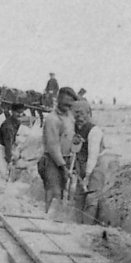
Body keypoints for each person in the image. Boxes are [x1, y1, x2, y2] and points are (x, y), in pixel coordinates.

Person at [38, 86, 77, 215]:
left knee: (62, 192)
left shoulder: (70, 117)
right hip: (52, 161)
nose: (67, 107)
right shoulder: (52, 119)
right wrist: (63, 166)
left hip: (65, 159)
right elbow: (53, 146)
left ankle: (56, 219)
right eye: (65, 103)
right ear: (59, 100)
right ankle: (47, 218)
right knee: (53, 192)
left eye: (70, 104)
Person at [71, 99, 106, 225]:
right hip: (81, 165)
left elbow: (93, 155)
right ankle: (76, 225)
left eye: (81, 113)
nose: (78, 117)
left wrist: (88, 174)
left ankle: (87, 226)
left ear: (88, 113)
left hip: (95, 167)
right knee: (79, 196)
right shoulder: (75, 129)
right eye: (75, 114)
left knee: (91, 197)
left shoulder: (94, 131)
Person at [0, 102, 26, 174]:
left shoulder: (17, 121)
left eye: (22, 113)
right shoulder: (8, 126)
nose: (20, 115)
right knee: (1, 171)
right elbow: (8, 146)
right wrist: (9, 161)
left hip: (6, 146)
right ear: (12, 112)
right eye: (18, 112)